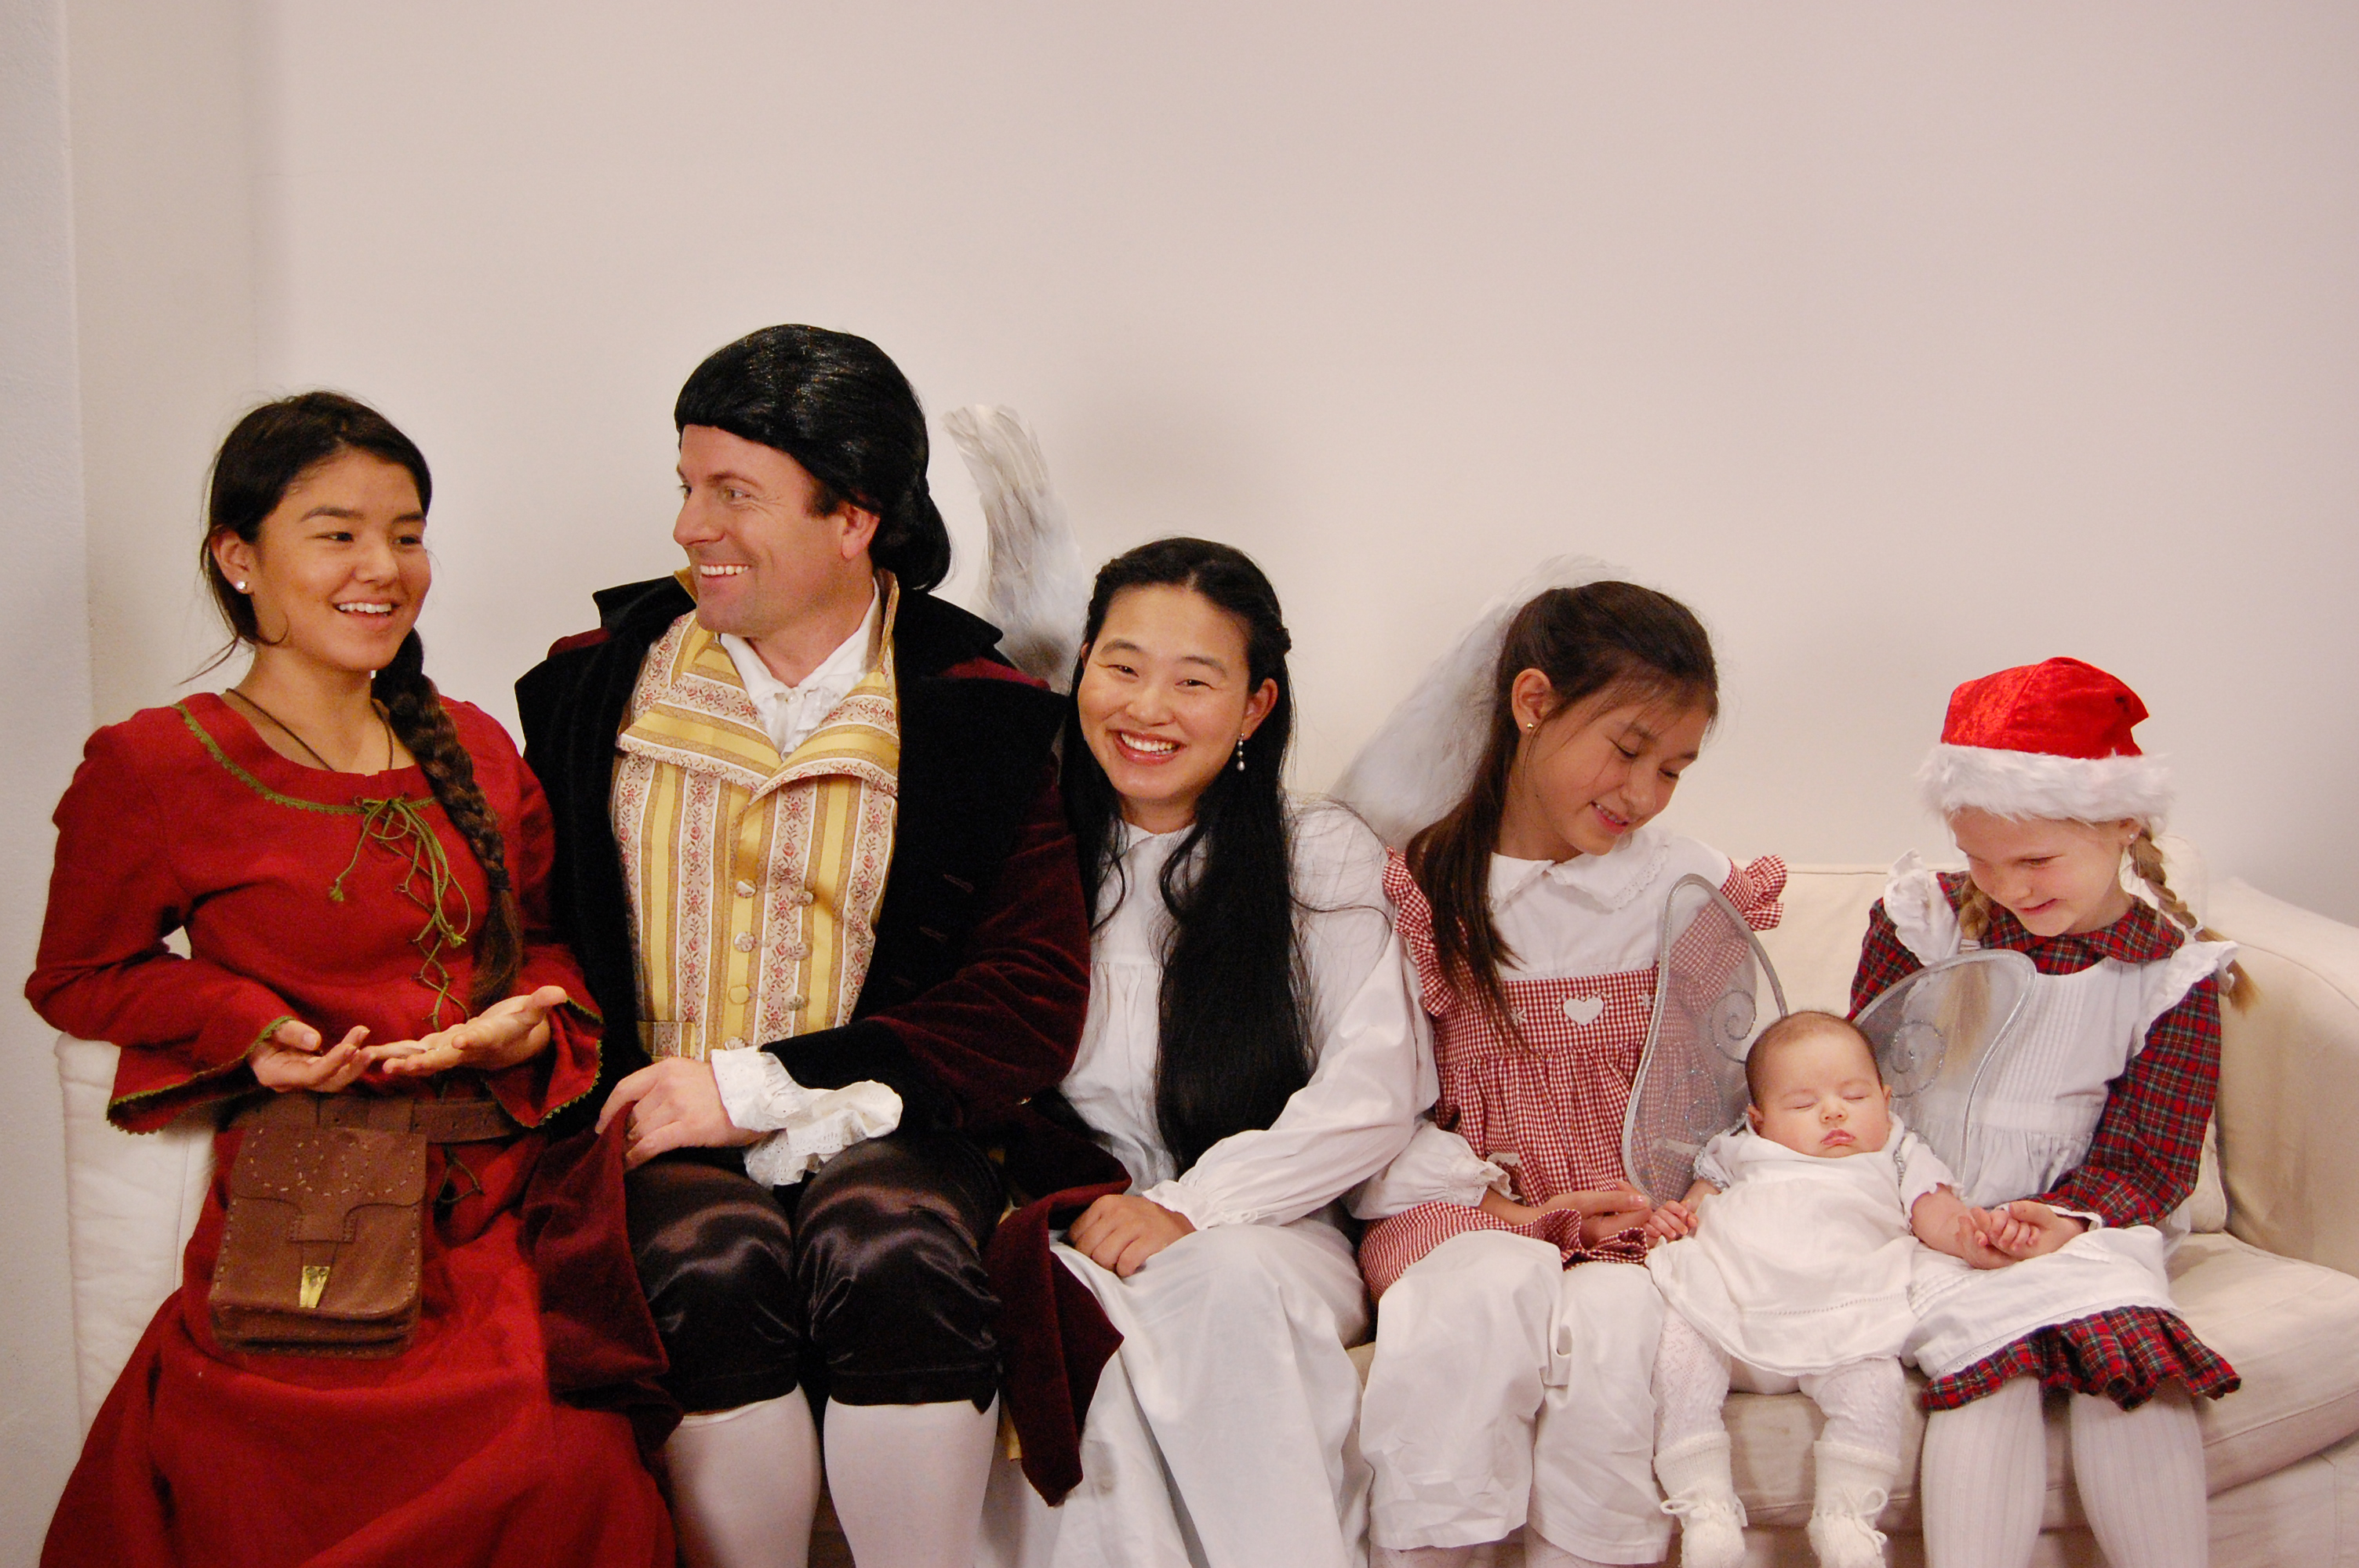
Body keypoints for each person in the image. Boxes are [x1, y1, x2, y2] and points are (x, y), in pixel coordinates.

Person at [25, 392, 674, 1566]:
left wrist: (525, 1025)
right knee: (257, 1471)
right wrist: (244, 1022)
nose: (384, 567)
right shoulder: (156, 764)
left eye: (407, 533)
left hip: (500, 1201)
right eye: (338, 534)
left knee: (566, 1455)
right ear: (239, 557)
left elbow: (543, 942)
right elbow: (78, 974)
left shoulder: (474, 743)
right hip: (309, 1206)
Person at [514, 325, 1090, 1568]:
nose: (690, 527)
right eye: (687, 486)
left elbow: (1029, 994)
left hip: (891, 1126)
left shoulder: (979, 715)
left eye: (734, 493)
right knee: (712, 1263)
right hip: (649, 1133)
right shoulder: (589, 688)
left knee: (894, 1251)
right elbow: (533, 928)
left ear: (854, 518)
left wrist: (758, 1087)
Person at [980, 537, 1424, 1567]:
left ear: (1255, 706)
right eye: (1122, 666)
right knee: (1064, 1312)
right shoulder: (1027, 856)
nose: (1148, 708)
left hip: (1264, 1231)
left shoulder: (1318, 855)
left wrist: (1190, 1207)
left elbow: (1375, 1089)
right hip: (1075, 1225)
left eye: (1193, 681)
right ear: (1080, 668)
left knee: (1211, 1282)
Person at [1347, 580, 1787, 1568]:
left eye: (1672, 769)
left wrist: (1700, 1193)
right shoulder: (1426, 888)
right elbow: (1376, 1109)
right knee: (1474, 1296)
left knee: (1618, 1322)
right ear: (1533, 702)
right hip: (1475, 1213)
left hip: (1635, 1222)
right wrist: (1508, 1209)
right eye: (1627, 750)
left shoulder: (1685, 890)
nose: (1643, 793)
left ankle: (1591, 1551)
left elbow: (1729, 1090)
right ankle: (1429, 1549)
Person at [1848, 657, 2243, 1568]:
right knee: (1988, 1368)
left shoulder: (2167, 973)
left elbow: (2152, 1155)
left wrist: (2064, 1219)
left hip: (2081, 1226)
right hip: (1923, 1215)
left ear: (2121, 823)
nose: (2007, 887)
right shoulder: (1922, 923)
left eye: (2033, 860)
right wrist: (1929, 1204)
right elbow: (1858, 1080)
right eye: (1979, 859)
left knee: (2127, 1361)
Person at [1642, 1011, 1972, 1568]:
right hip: (1731, 1303)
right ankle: (1706, 1509)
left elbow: (1940, 1217)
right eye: (1802, 1105)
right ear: (1760, 1120)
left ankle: (1846, 1519)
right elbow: (1693, 1210)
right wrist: (1674, 1221)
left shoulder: (1898, 1151)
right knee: (1678, 1346)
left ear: (1885, 1100)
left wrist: (1976, 1233)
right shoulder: (1739, 1149)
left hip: (1845, 1316)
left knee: (1875, 1382)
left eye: (1855, 1096)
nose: (1834, 1112)